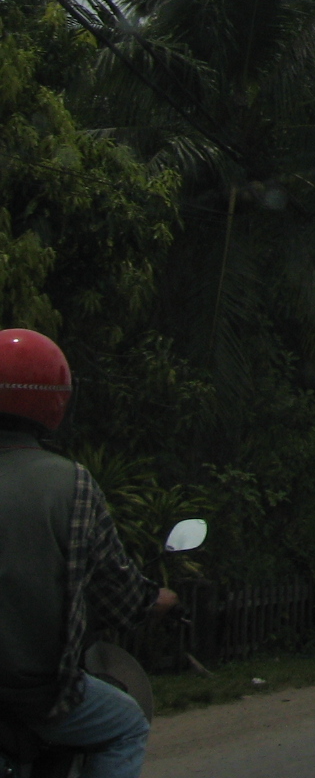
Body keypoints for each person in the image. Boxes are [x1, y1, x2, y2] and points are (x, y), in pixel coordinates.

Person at [0, 328, 176, 778]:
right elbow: (116, 591)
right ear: (55, 402)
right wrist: (154, 600)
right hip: (35, 697)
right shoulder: (73, 485)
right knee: (127, 726)